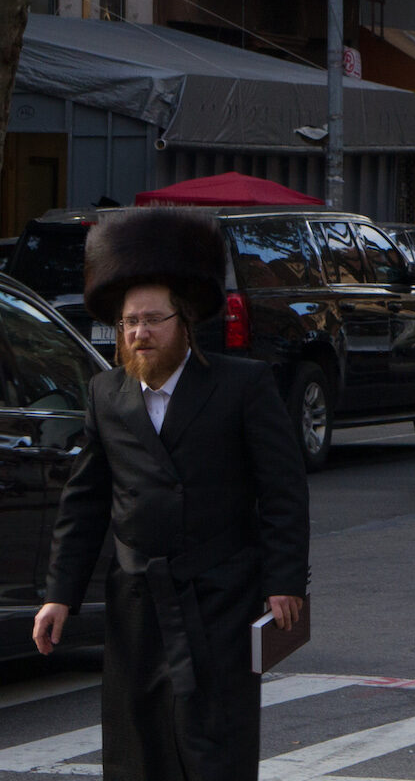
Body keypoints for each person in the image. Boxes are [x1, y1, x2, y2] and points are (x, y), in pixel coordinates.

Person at [33, 208, 309, 781]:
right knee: (141, 740)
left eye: (152, 320)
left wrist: (284, 582)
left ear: (183, 322)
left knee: (214, 738)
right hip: (135, 599)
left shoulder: (243, 385)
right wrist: (60, 595)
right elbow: (84, 503)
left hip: (222, 595)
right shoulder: (106, 393)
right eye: (129, 322)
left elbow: (282, 491)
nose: (138, 333)